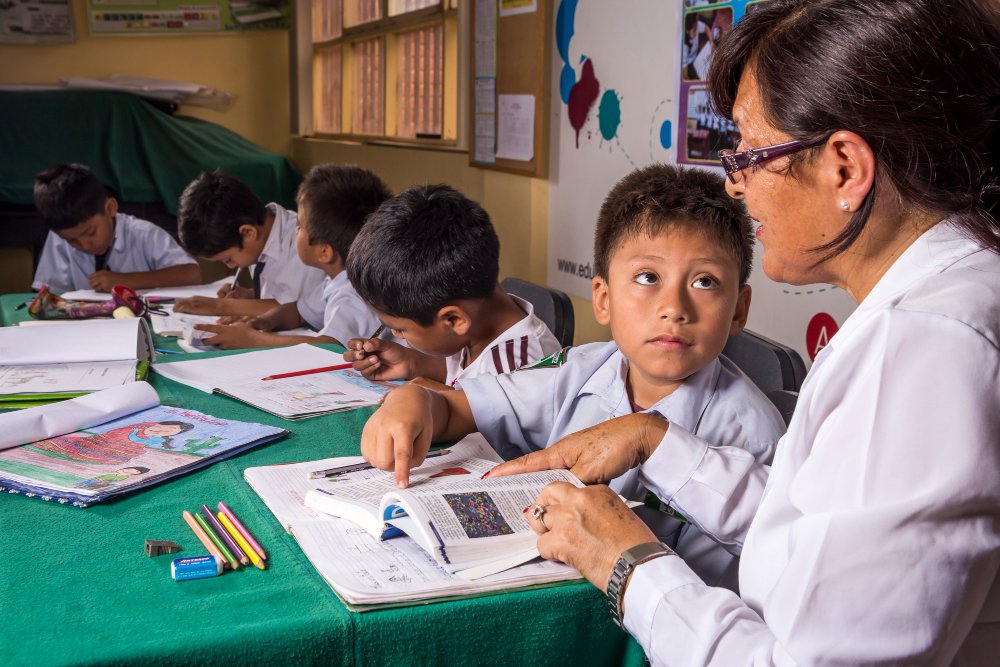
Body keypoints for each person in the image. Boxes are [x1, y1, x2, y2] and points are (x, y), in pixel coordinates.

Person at [482, 0, 1000, 664]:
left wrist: (626, 559)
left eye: (754, 154)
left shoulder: (924, 347)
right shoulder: (945, 298)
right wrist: (654, 439)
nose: (736, 186)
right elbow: (826, 527)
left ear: (844, 167)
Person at [357, 164, 786, 590]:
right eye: (647, 277)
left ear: (739, 310)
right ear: (603, 299)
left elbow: (734, 586)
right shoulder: (579, 369)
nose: (674, 307)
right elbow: (456, 408)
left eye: (705, 281)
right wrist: (415, 400)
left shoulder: (752, 434)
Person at [343, 184, 561, 387]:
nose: (397, 334)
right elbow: (464, 372)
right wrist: (412, 363)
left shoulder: (520, 376)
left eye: (400, 329)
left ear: (454, 319)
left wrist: (431, 399)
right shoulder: (477, 320)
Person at [191, 164, 391, 349]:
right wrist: (261, 322)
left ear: (324, 252)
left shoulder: (353, 294)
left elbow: (329, 347)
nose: (294, 230)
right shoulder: (337, 280)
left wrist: (253, 339)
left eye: (300, 226)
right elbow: (297, 311)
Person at [172, 170, 326, 319]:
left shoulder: (302, 245)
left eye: (228, 259)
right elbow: (285, 292)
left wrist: (221, 306)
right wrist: (250, 295)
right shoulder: (261, 240)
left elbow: (299, 311)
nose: (231, 266)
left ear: (248, 232)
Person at [31, 164, 201, 293]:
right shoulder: (58, 240)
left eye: (90, 232)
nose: (84, 245)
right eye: (71, 240)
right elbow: (50, 291)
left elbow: (191, 274)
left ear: (111, 208)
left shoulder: (143, 234)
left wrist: (127, 281)